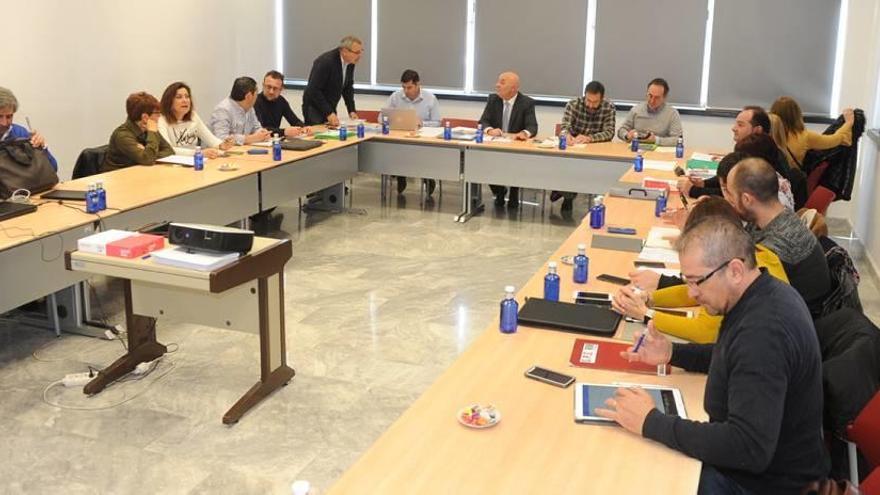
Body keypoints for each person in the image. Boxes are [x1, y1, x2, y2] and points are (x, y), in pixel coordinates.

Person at [597, 216, 829, 495]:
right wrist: (672, 352)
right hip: (765, 470)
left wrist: (651, 422)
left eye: (698, 282)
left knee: (633, 475)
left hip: (765, 484)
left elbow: (748, 447)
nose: (692, 294)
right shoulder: (764, 294)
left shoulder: (764, 333)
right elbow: (733, 357)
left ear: (734, 270)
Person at [613, 197, 789, 344]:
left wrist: (646, 314)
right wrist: (650, 298)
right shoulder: (752, 253)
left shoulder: (744, 279)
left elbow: (706, 332)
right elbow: (699, 287)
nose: (692, 291)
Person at [727, 158, 830, 316]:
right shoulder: (774, 218)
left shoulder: (776, 245)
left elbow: (734, 295)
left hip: (790, 326)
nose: (729, 201)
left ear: (747, 199)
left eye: (731, 195)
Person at [552, 80, 615, 211]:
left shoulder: (608, 107)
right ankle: (566, 193)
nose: (591, 105)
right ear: (584, 96)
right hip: (574, 147)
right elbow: (565, 126)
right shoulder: (574, 104)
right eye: (588, 100)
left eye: (595, 102)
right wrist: (566, 135)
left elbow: (609, 132)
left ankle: (564, 192)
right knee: (567, 164)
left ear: (602, 99)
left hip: (596, 149)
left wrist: (589, 138)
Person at [478, 71, 538, 208]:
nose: (497, 85)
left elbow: (532, 126)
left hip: (515, 149)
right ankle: (499, 191)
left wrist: (524, 133)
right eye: (498, 81)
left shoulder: (526, 103)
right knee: (482, 160)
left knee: (516, 162)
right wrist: (490, 130)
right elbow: (483, 121)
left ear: (514, 88)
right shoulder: (493, 99)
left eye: (502, 82)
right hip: (495, 147)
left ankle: (514, 192)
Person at [382, 69, 441, 195]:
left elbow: (437, 122)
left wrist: (422, 123)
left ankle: (428, 177)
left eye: (409, 87)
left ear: (418, 84)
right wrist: (392, 120)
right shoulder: (395, 96)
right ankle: (400, 175)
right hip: (400, 138)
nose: (406, 91)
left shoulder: (430, 99)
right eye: (404, 87)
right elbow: (381, 117)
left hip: (423, 140)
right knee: (394, 148)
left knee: (420, 152)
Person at [771, 96, 854, 169]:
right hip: (791, 184)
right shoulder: (805, 136)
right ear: (796, 114)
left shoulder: (767, 135)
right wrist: (848, 123)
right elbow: (835, 139)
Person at [102, 91, 174, 172]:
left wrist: (148, 153)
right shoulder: (122, 135)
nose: (159, 116)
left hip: (139, 173)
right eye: (157, 113)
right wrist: (148, 154)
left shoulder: (148, 128)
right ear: (145, 117)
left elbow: (169, 151)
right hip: (119, 176)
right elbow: (148, 159)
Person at [158, 81, 233, 157]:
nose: (185, 100)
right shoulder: (162, 121)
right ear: (169, 102)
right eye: (179, 97)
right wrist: (198, 153)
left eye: (187, 97)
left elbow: (210, 139)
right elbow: (168, 150)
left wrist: (221, 145)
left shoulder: (193, 116)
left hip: (193, 162)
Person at [302, 35, 362, 127]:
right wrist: (329, 113)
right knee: (319, 138)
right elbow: (313, 90)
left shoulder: (350, 62)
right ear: (345, 51)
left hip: (330, 106)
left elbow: (347, 87)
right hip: (314, 108)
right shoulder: (326, 61)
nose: (360, 56)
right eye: (357, 52)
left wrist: (351, 110)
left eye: (361, 51)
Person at [0, 87, 58, 171]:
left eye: (9, 116)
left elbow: (53, 169)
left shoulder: (21, 133)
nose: (4, 123)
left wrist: (42, 148)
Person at [616, 78, 682, 146]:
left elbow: (677, 140)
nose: (652, 100)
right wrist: (627, 136)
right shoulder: (636, 109)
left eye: (657, 97)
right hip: (636, 149)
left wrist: (656, 140)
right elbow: (621, 130)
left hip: (659, 152)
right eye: (650, 96)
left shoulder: (672, 114)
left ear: (664, 97)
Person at [210, 77, 271, 145]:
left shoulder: (250, 108)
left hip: (242, 151)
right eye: (256, 94)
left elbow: (256, 127)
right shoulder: (222, 110)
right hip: (218, 153)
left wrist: (263, 133)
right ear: (249, 96)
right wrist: (250, 138)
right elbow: (221, 139)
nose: (257, 97)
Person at [254, 70, 310, 139]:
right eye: (268, 87)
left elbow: (294, 121)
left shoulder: (281, 101)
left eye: (275, 88)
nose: (271, 91)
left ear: (281, 89)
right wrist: (284, 132)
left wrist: (304, 127)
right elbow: (261, 129)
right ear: (263, 85)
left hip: (274, 139)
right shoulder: (255, 101)